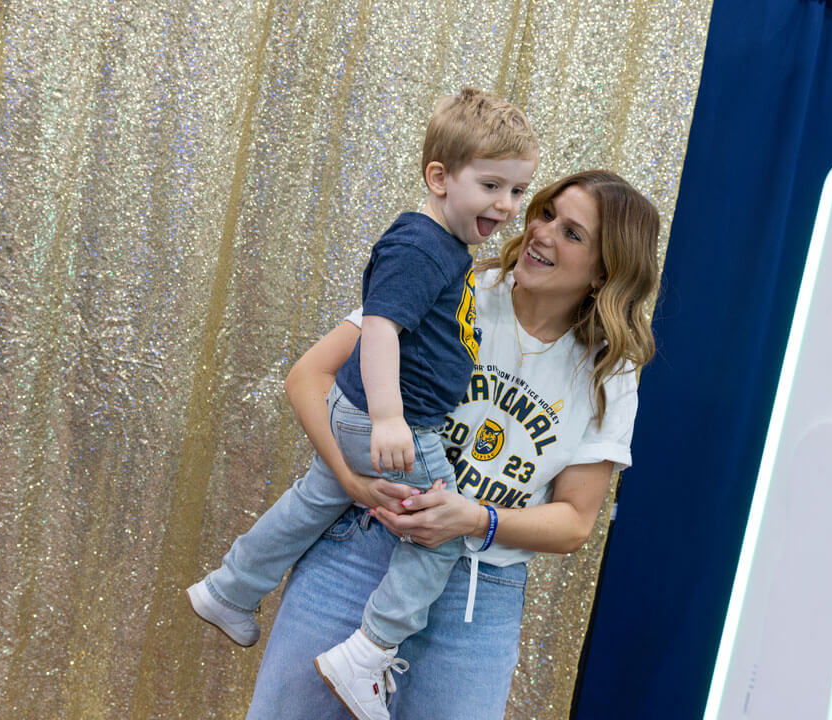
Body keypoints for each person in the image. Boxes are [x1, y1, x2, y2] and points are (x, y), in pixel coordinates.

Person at [244, 170, 660, 720]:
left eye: (572, 233)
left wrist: (474, 519)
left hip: (478, 595)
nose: (540, 232)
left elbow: (575, 521)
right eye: (545, 213)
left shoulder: (609, 371)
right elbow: (309, 378)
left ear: (607, 271)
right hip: (365, 552)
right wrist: (350, 481)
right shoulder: (453, 287)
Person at [186, 88, 539, 720]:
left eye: (517, 191)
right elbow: (379, 329)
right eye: (492, 186)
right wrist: (389, 418)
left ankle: (231, 587)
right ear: (438, 177)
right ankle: (368, 652)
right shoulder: (421, 246)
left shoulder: (442, 247)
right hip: (393, 419)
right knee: (439, 533)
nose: (506, 206)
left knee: (316, 498)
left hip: (359, 413)